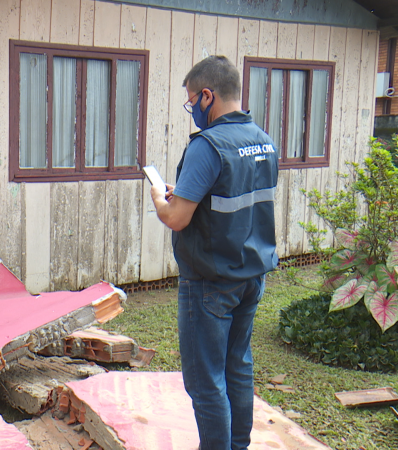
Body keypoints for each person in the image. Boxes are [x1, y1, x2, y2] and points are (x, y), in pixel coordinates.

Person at [149, 55, 279, 450]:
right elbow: (232, 195)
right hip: (251, 275)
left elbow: (176, 218)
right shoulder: (263, 140)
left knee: (206, 382)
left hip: (210, 282)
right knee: (237, 366)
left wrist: (160, 198)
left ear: (207, 96)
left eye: (192, 101)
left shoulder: (207, 146)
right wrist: (188, 192)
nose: (192, 110)